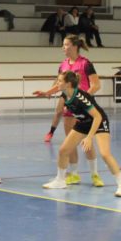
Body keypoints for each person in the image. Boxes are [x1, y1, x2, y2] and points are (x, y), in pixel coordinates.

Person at [42, 71, 121, 198]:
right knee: (63, 150)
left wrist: (89, 137)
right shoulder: (65, 93)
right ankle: (60, 181)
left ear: (68, 84)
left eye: (59, 81)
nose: (57, 83)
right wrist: (46, 93)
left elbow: (97, 117)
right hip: (83, 122)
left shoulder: (80, 98)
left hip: (99, 122)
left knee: (105, 154)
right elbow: (56, 88)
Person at [33, 35, 103, 186]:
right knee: (70, 143)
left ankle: (95, 175)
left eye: (65, 45)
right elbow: (59, 85)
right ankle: (74, 174)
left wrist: (83, 99)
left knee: (86, 142)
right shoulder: (63, 65)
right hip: (69, 107)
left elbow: (96, 85)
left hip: (84, 109)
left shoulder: (85, 64)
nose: (63, 48)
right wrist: (46, 93)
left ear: (74, 46)